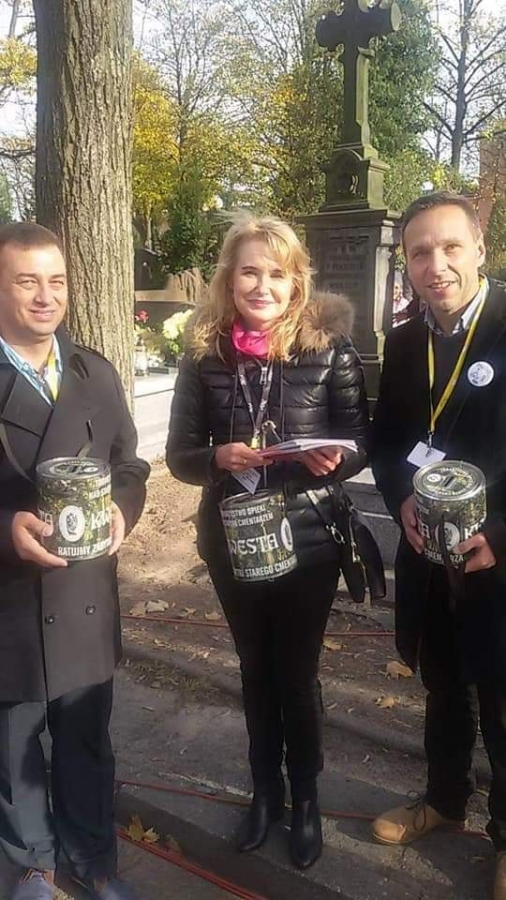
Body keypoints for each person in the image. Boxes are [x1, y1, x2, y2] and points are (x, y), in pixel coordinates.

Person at [166, 214, 369, 870]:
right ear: (230, 279)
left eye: (276, 274)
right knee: (255, 670)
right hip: (234, 538)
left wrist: (335, 459)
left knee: (297, 673)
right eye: (249, 271)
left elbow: (359, 441)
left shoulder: (330, 349)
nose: (262, 286)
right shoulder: (204, 354)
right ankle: (265, 792)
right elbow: (179, 456)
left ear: (296, 282)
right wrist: (217, 458)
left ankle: (306, 798)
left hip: (309, 537)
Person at [0, 223, 150, 900]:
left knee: (86, 738)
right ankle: (31, 865)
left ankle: (92, 860)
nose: (46, 296)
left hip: (85, 592)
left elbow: (130, 463)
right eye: (27, 281)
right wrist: (5, 529)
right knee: (14, 747)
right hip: (9, 597)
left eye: (56, 281)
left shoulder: (94, 371)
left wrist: (124, 507)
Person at [370, 191, 506, 899]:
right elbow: (389, 441)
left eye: (451, 247)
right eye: (420, 252)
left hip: (498, 557)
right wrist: (400, 497)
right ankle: (445, 800)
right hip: (427, 555)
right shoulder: (402, 342)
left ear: (480, 247)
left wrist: (501, 536)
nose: (436, 264)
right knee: (443, 687)